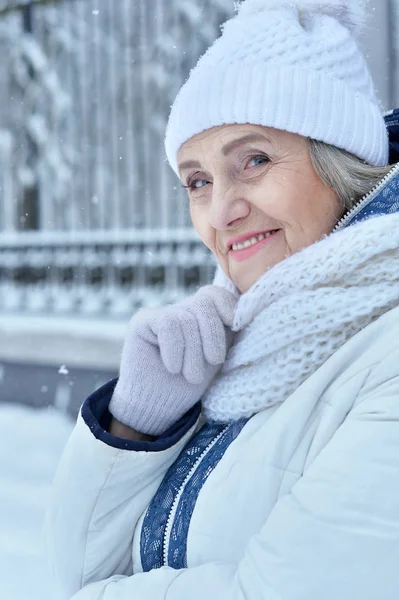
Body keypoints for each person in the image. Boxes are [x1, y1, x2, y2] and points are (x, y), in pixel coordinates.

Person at [45, 1, 399, 599]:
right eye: (198, 181)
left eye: (254, 160)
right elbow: (75, 574)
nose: (220, 211)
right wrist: (138, 424)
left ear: (341, 164)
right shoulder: (241, 345)